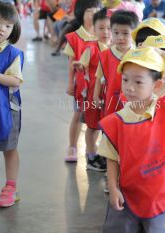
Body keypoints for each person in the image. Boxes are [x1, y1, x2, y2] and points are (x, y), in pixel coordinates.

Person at [98, 46, 165, 232]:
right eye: (125, 80)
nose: (129, 87)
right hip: (128, 198)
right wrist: (113, 188)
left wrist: (162, 55)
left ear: (156, 85)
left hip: (162, 199)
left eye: (138, 82)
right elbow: (112, 159)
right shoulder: (115, 122)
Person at [62, 0, 105, 170]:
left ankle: (94, 150)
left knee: (97, 120)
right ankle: (72, 146)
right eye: (89, 10)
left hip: (99, 87)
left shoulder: (104, 35)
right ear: (81, 13)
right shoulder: (74, 37)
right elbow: (71, 63)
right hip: (81, 88)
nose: (94, 13)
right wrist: (70, 84)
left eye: (97, 10)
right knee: (78, 115)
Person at [0, 1, 24, 208]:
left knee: (10, 147)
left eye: (7, 26)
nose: (2, 29)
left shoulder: (14, 53)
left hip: (8, 108)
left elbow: (15, 81)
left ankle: (10, 187)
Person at [94, 10, 138, 118]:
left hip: (133, 102)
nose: (120, 37)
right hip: (111, 102)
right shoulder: (105, 55)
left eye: (125, 33)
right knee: (109, 129)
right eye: (116, 33)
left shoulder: (139, 55)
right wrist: (96, 96)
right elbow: (99, 78)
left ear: (133, 32)